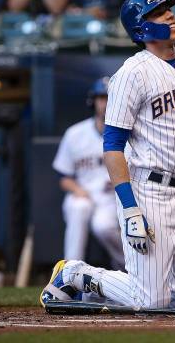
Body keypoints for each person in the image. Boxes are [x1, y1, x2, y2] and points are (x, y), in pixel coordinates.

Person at [41, 0, 175, 310]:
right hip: (149, 190)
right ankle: (75, 273)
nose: (170, 15)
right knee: (151, 300)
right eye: (158, 12)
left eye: (167, 8)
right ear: (140, 27)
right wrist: (130, 207)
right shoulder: (132, 73)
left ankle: (92, 285)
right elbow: (113, 145)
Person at [52, 78, 124, 269]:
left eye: (110, 98)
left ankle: (126, 265)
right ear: (93, 101)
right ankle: (70, 271)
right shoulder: (75, 134)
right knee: (79, 207)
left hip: (111, 198)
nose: (106, 103)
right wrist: (77, 189)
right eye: (102, 98)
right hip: (83, 193)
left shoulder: (129, 134)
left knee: (103, 226)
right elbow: (63, 176)